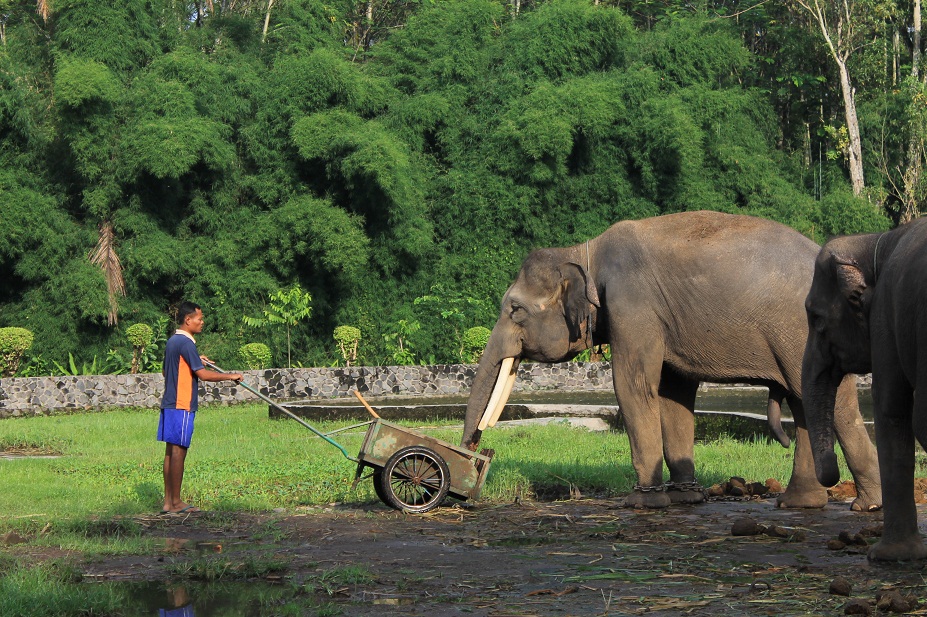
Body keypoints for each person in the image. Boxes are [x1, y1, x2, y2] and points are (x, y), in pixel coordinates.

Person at [159, 301, 242, 514]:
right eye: (199, 318)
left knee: (170, 451)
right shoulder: (187, 344)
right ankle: (177, 503)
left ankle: (168, 503)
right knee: (179, 451)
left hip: (169, 403)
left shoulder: (173, 341)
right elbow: (202, 375)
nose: (202, 322)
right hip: (182, 403)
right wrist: (229, 376)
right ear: (188, 320)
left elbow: (167, 370)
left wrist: (195, 359)